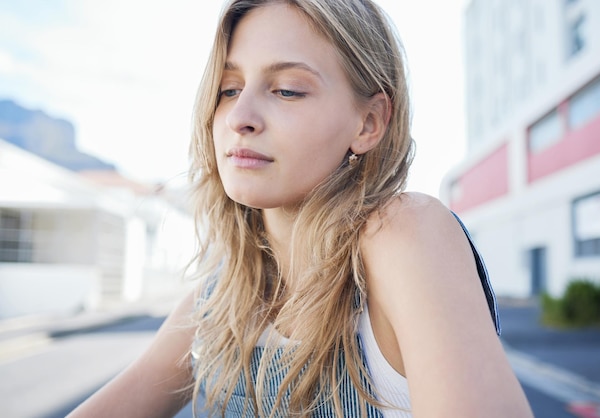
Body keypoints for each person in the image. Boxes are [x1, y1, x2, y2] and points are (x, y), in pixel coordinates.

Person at [68, 0, 534, 416]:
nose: (239, 117)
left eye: (287, 89)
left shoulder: (405, 233)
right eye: (229, 89)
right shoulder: (218, 299)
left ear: (369, 122)